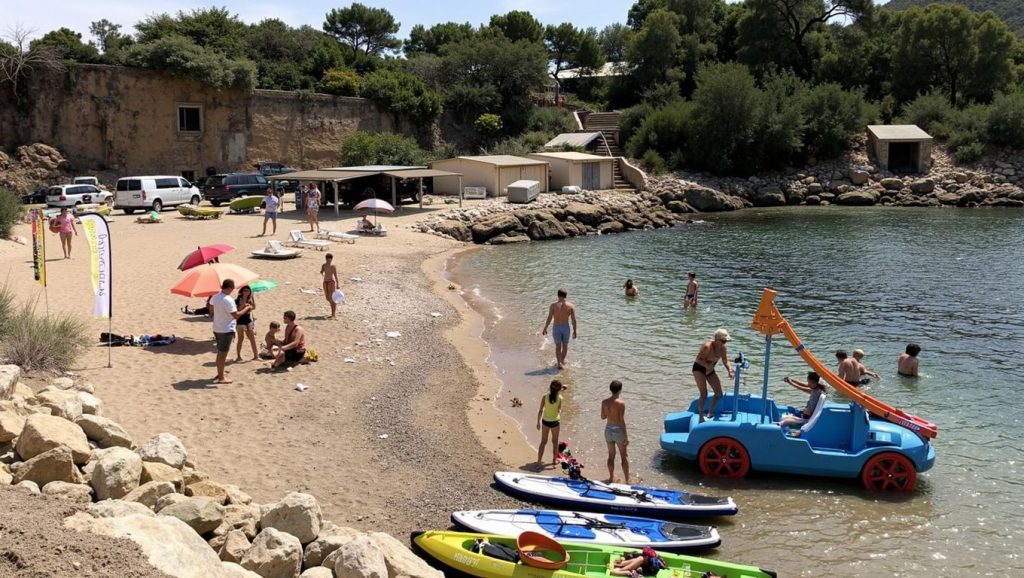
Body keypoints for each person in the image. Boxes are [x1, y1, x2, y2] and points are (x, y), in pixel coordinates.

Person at [210, 279, 253, 384]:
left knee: (220, 352)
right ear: (229, 288)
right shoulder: (228, 300)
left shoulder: (215, 296)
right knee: (222, 354)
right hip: (226, 329)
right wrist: (246, 309)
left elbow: (211, 309)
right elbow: (236, 315)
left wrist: (217, 316)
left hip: (217, 327)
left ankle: (220, 373)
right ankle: (221, 378)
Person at [692, 329, 734, 422]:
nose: (724, 343)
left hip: (710, 369)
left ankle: (710, 413)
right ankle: (700, 417)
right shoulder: (707, 346)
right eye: (723, 341)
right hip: (699, 368)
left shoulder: (723, 348)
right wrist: (708, 366)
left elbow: (725, 360)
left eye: (726, 341)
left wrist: (730, 370)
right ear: (716, 339)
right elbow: (699, 359)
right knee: (704, 394)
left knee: (719, 393)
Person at [601, 380, 630, 483]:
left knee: (611, 456)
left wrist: (608, 412)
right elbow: (622, 421)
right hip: (618, 431)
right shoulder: (621, 403)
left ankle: (611, 477)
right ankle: (627, 480)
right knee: (624, 456)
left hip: (608, 430)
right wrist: (626, 437)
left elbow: (602, 417)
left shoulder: (604, 402)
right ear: (620, 390)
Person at [542, 289, 577, 370]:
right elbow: (573, 320)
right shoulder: (571, 306)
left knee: (558, 346)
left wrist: (545, 328)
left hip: (556, 327)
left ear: (558, 295)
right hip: (565, 327)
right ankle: (562, 361)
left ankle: (559, 363)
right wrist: (575, 331)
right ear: (566, 296)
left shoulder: (553, 305)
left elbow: (549, 318)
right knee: (565, 346)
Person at [535, 380, 565, 468]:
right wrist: (559, 410)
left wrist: (538, 422)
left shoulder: (545, 397)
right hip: (555, 421)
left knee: (543, 442)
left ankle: (539, 461)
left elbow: (540, 410)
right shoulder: (560, 398)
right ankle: (554, 460)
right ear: (559, 390)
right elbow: (559, 410)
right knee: (555, 442)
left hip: (545, 421)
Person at [234, 286, 258, 361]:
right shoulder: (238, 300)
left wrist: (252, 297)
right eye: (245, 290)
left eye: (248, 291)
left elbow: (254, 307)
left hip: (248, 320)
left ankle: (256, 356)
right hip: (240, 321)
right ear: (242, 291)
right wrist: (245, 306)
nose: (247, 292)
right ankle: (238, 356)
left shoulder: (249, 299)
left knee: (252, 338)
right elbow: (238, 312)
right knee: (241, 338)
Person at [321, 253, 339, 319]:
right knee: (327, 298)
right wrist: (323, 273)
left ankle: (333, 314)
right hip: (325, 282)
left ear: (331, 259)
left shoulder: (333, 266)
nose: (328, 260)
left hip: (331, 282)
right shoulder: (324, 265)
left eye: (329, 259)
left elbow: (335, 275)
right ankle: (332, 313)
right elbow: (322, 271)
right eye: (327, 259)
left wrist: (337, 284)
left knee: (332, 298)